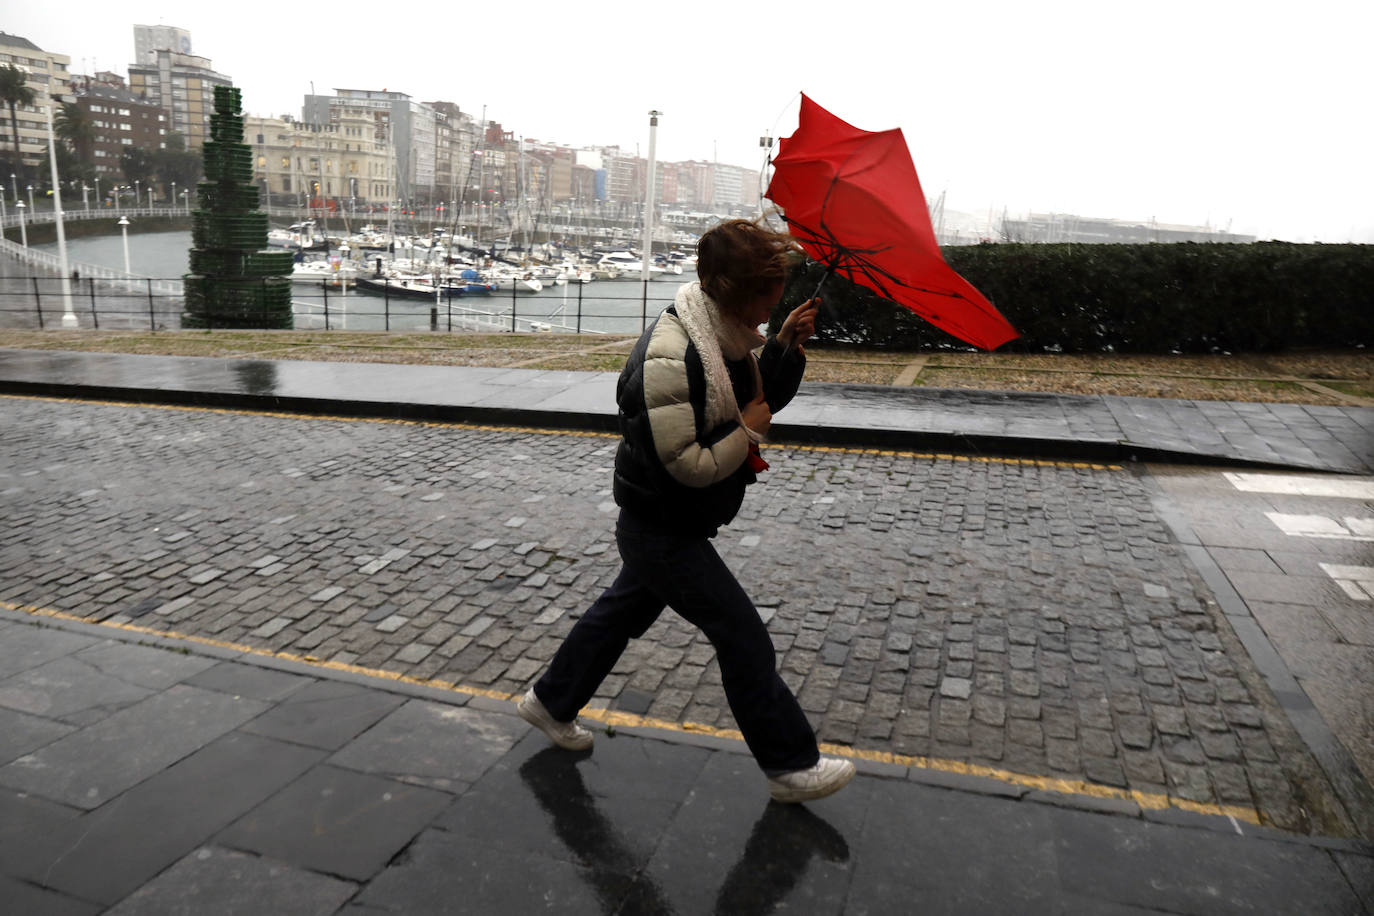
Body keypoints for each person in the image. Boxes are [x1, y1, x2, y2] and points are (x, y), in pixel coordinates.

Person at [519, 218, 855, 804]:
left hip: (672, 518)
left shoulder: (723, 334)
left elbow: (758, 398)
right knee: (742, 636)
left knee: (619, 613)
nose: (761, 320)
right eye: (760, 310)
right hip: (661, 526)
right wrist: (748, 433)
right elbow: (690, 463)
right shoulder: (671, 357)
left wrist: (782, 345)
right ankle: (790, 766)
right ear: (731, 292)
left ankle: (550, 701)